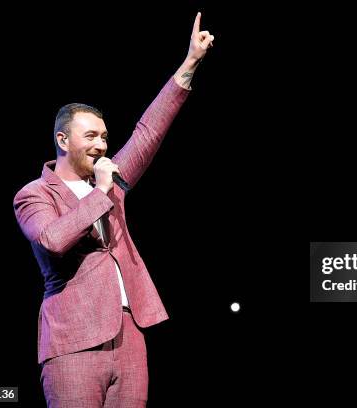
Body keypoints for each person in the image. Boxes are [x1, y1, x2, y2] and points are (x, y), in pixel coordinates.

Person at [13, 12, 214, 407]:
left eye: (105, 136)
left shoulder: (112, 183)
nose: (102, 145)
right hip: (74, 339)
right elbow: (53, 239)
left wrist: (189, 63)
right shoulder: (34, 194)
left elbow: (148, 132)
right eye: (91, 136)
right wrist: (101, 192)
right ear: (62, 139)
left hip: (128, 334)